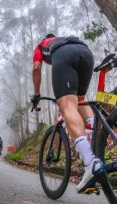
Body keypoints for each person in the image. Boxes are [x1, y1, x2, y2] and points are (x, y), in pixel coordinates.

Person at [31, 33, 105, 194]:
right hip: (86, 53)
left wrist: (36, 94)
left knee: (67, 106)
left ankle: (90, 162)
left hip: (65, 55)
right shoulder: (63, 38)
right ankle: (92, 134)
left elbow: (36, 68)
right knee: (79, 100)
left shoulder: (41, 45)